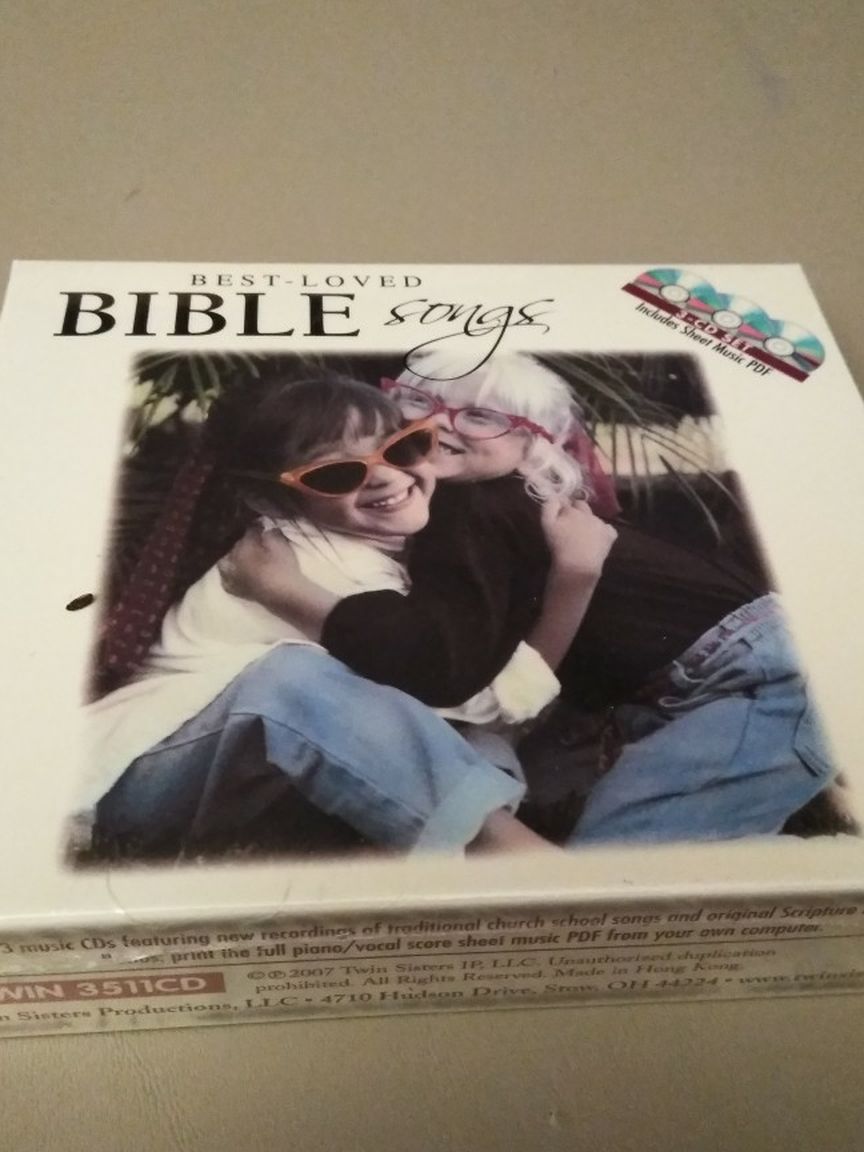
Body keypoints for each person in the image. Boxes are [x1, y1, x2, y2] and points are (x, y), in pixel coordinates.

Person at [224, 350, 838, 844]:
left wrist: (291, 592)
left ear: (533, 443)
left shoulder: (474, 510)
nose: (444, 423)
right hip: (715, 670)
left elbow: (438, 664)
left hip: (755, 675)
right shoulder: (485, 501)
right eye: (423, 404)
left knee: (620, 874)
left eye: (481, 416)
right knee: (565, 816)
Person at [87, 374, 607, 859]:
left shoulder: (384, 546)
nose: (385, 476)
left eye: (403, 447)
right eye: (336, 472)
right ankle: (505, 850)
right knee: (291, 677)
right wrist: (574, 581)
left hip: (246, 779)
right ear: (271, 498)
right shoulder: (299, 561)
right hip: (142, 774)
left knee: (450, 736)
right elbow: (481, 700)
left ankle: (446, 845)